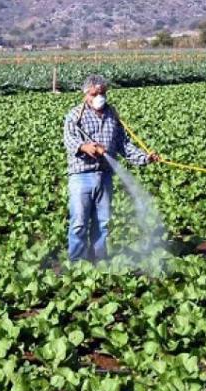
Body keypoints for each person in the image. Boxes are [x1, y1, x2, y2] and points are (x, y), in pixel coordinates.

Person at [63, 75, 160, 262]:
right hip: (81, 176)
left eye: (103, 93)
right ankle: (75, 265)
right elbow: (69, 140)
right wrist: (85, 147)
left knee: (103, 223)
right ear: (86, 94)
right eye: (95, 93)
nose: (99, 96)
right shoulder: (75, 115)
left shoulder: (112, 115)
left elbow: (124, 145)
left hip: (105, 175)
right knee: (79, 223)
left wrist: (146, 158)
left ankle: (99, 260)